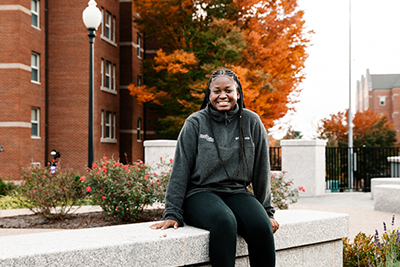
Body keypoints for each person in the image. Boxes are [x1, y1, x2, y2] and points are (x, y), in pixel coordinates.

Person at [150, 68, 279, 266]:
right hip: (199, 193)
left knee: (261, 226)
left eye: (228, 90)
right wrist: (172, 212)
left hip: (237, 192)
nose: (222, 95)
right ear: (209, 95)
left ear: (238, 93)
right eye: (216, 91)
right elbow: (181, 169)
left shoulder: (252, 122)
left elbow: (262, 170)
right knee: (224, 221)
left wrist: (267, 212)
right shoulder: (195, 123)